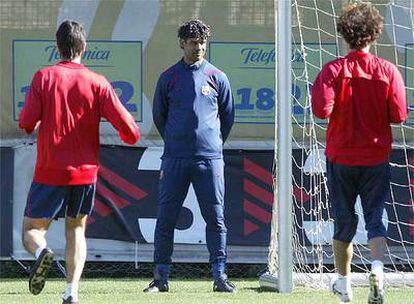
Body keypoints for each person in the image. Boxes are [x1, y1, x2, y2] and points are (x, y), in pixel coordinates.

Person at [19, 20, 140, 304]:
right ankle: (71, 293)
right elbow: (131, 131)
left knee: (32, 231)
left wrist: (40, 124)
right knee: (76, 230)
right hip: (85, 174)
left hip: (50, 170)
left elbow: (26, 122)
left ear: (57, 47)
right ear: (84, 47)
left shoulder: (43, 77)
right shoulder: (97, 82)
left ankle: (41, 253)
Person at [311, 2, 408, 303]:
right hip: (375, 157)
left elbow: (320, 109)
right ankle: (377, 268)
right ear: (375, 35)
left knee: (344, 222)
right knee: (376, 218)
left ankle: (344, 284)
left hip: (341, 158)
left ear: (344, 34)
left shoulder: (333, 70)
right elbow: (400, 114)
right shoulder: (387, 70)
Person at [144, 19, 235, 293]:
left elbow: (227, 117)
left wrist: (211, 143)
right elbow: (159, 117)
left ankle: (220, 276)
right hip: (175, 159)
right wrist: (176, 140)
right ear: (182, 43)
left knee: (216, 219)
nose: (199, 48)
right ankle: (161, 278)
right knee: (166, 219)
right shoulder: (168, 77)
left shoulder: (218, 77)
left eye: (202, 43)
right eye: (194, 43)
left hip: (209, 159)